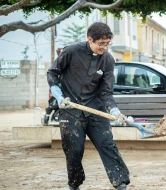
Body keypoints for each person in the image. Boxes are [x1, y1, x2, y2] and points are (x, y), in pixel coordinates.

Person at [47, 22, 129, 190]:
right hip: (71, 110)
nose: (104, 47)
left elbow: (106, 91)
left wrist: (113, 109)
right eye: (101, 44)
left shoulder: (108, 60)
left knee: (107, 144)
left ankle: (121, 183)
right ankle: (75, 184)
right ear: (90, 39)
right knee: (74, 151)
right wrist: (58, 96)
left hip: (95, 110)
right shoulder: (71, 51)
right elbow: (53, 73)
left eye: (108, 43)